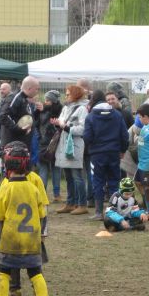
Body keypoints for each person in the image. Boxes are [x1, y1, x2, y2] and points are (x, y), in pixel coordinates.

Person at [0, 141, 53, 296]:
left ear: (7, 166)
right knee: (36, 273)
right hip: (31, 242)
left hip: (10, 242)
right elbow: (42, 214)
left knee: (4, 272)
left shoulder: (5, 188)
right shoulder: (33, 188)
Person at [83, 90, 129, 220]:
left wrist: (92, 146)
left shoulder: (90, 116)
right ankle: (114, 211)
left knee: (98, 181)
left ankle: (98, 212)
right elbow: (125, 136)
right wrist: (122, 150)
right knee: (114, 180)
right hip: (114, 152)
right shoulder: (117, 115)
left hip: (97, 154)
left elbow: (87, 137)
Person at [52, 85, 89, 215]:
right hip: (64, 144)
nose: (66, 96)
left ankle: (82, 204)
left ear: (76, 94)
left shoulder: (82, 109)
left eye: (68, 94)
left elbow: (83, 129)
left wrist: (65, 127)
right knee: (68, 176)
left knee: (77, 176)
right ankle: (70, 203)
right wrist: (58, 124)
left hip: (75, 146)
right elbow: (62, 123)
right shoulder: (66, 107)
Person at [35, 90, 63, 202]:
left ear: (53, 101)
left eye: (48, 100)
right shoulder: (44, 110)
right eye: (45, 99)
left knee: (50, 169)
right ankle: (48, 194)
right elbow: (37, 124)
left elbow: (38, 123)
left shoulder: (54, 110)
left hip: (51, 142)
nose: (45, 102)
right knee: (47, 169)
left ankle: (51, 194)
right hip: (47, 142)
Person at [0, 76, 40, 147]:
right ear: (29, 88)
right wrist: (19, 129)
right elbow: (3, 116)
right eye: (36, 89)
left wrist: (38, 111)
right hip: (13, 146)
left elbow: (29, 117)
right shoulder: (15, 98)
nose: (37, 91)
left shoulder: (24, 98)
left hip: (22, 143)